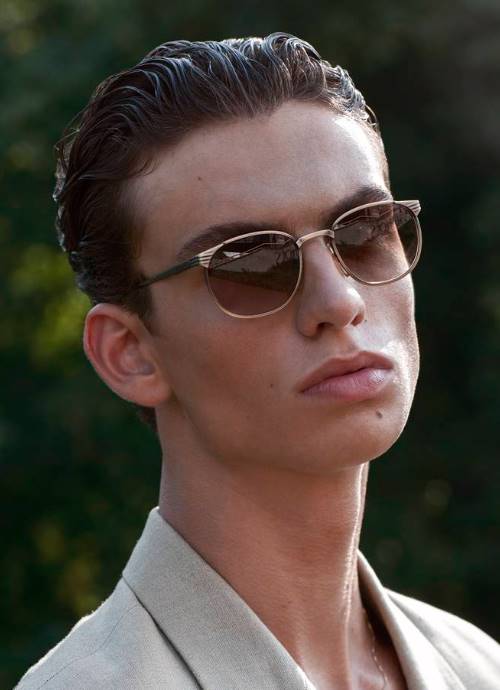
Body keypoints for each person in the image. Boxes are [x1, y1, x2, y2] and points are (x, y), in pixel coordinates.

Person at [15, 32, 499, 690]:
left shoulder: (478, 667)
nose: (340, 301)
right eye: (252, 263)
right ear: (130, 353)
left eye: (364, 231)